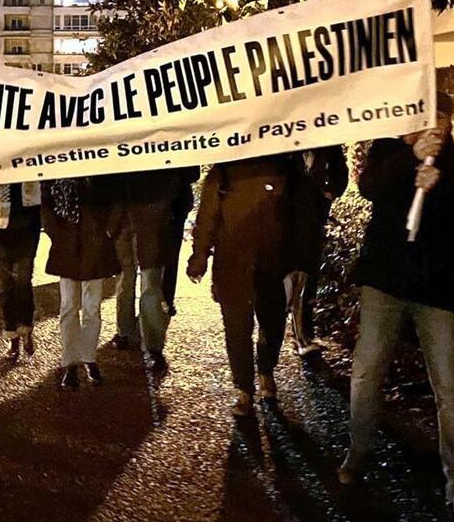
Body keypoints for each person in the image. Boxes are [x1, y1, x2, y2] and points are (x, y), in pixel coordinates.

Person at [339, 93, 454, 518]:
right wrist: (409, 160)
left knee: (451, 391)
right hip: (385, 284)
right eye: (425, 115)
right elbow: (370, 187)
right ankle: (358, 450)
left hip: (439, 291)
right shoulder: (388, 149)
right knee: (366, 373)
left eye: (441, 117)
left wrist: (445, 180)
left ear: (451, 122)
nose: (433, 125)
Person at [187, 155, 306, 415]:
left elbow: (300, 217)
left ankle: (265, 372)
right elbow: (207, 218)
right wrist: (199, 256)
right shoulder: (223, 173)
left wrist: (299, 260)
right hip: (233, 264)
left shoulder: (285, 168)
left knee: (272, 322)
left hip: (274, 262)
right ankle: (244, 389)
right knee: (237, 327)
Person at [107, 168, 199, 374]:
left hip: (153, 214)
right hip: (132, 214)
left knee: (147, 281)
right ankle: (131, 334)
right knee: (133, 280)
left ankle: (149, 344)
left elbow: (191, 172)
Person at [42, 177, 120, 389]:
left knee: (91, 308)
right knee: (69, 306)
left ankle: (88, 358)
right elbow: (47, 207)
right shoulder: (54, 175)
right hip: (67, 246)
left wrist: (108, 230)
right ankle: (70, 362)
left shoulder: (99, 173)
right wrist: (57, 235)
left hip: (94, 245)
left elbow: (115, 197)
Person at [285, 145, 348, 356]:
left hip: (313, 219)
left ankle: (303, 333)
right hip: (285, 219)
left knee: (307, 276)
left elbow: (340, 172)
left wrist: (330, 192)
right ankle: (285, 329)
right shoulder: (286, 146)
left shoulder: (328, 146)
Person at [0, 182, 42, 360]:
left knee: (23, 284)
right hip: (0, 233)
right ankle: (12, 334)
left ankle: (26, 328)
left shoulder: (28, 168)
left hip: (26, 233)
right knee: (5, 287)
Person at [162, 166, 200, 317]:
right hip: (172, 203)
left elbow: (193, 173)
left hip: (174, 204)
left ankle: (164, 298)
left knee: (169, 255)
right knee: (169, 256)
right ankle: (163, 298)